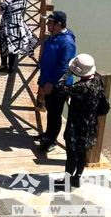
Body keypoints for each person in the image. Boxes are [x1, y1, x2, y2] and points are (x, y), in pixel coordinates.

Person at [58, 54, 109, 189]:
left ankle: (66, 181)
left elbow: (60, 87)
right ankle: (77, 178)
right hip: (90, 125)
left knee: (71, 156)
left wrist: (67, 74)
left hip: (76, 127)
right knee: (82, 154)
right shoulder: (97, 82)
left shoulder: (80, 87)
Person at [37, 11, 76, 153]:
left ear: (58, 24)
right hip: (48, 81)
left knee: (55, 114)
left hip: (58, 85)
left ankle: (51, 140)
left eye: (50, 22)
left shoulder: (67, 42)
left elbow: (64, 66)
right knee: (50, 110)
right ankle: (48, 134)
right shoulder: (54, 36)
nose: (47, 24)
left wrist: (51, 82)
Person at [0, 0, 35, 73]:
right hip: (18, 25)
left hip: (6, 26)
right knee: (14, 45)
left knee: (3, 44)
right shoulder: (23, 0)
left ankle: (3, 65)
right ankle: (11, 67)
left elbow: (0, 11)